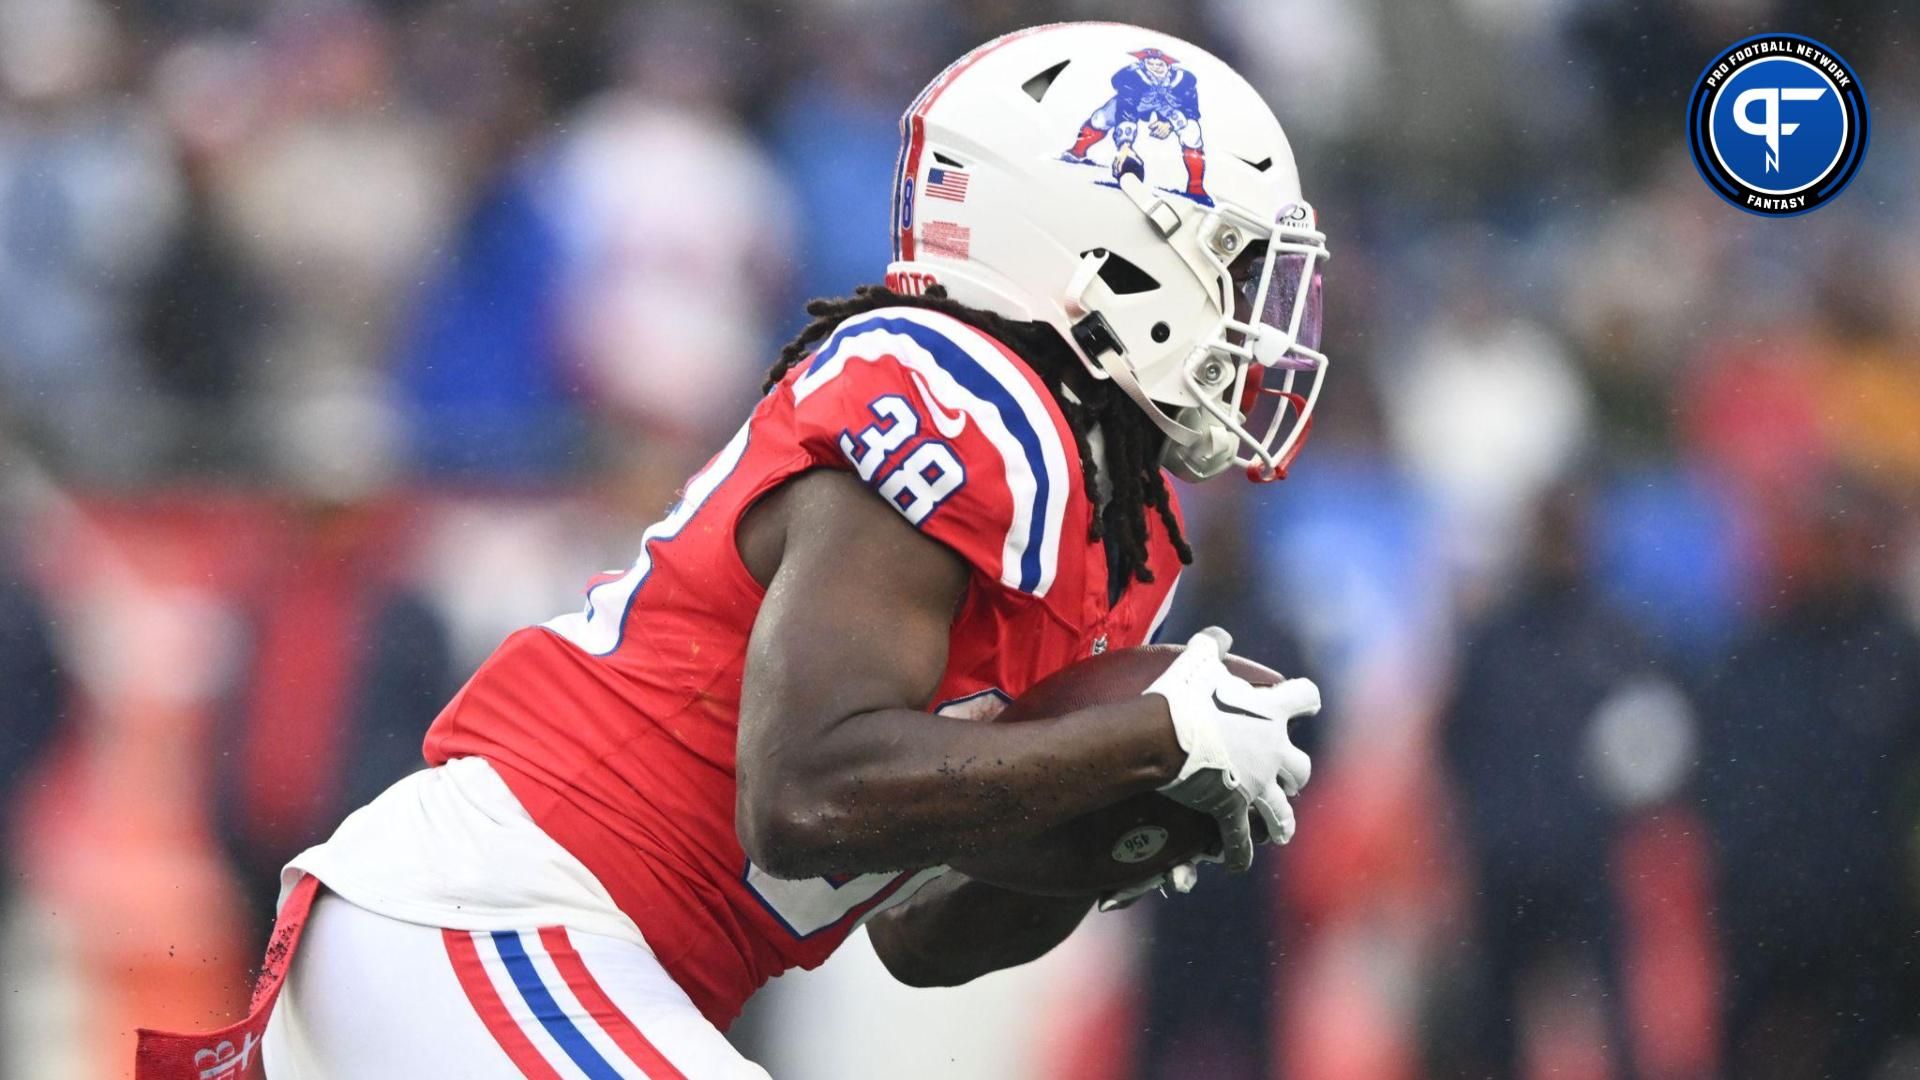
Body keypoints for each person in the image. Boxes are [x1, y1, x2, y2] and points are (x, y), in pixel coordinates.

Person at [257, 23, 1331, 1077]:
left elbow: (924, 938)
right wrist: (1150, 735)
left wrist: (1136, 826)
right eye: (1230, 264)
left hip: (574, 959)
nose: (1255, 313)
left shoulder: (1123, 541)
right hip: (497, 912)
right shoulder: (961, 395)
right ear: (1103, 246)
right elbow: (808, 798)